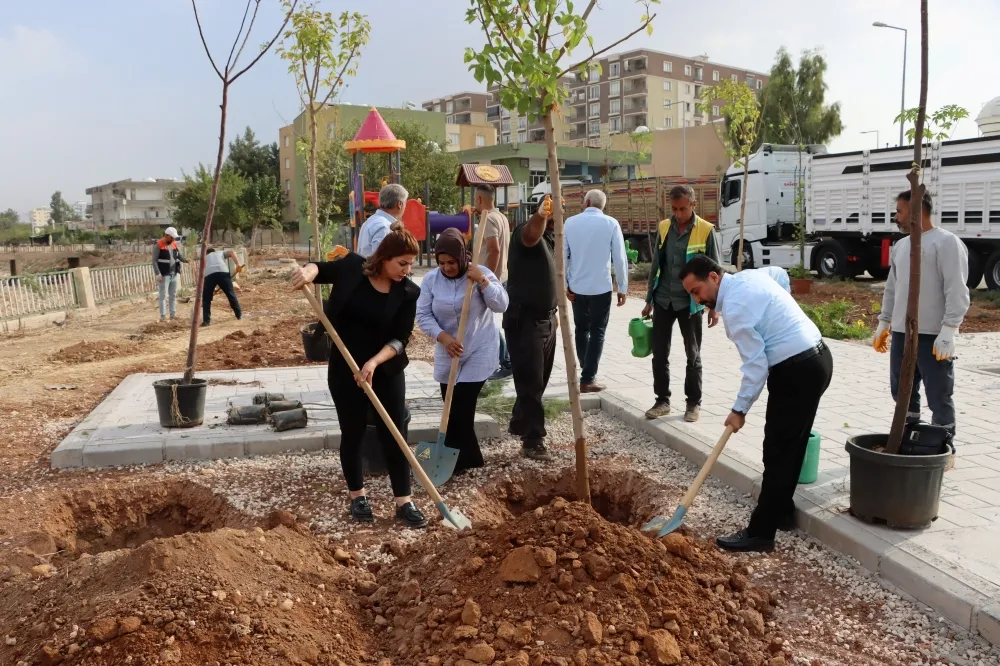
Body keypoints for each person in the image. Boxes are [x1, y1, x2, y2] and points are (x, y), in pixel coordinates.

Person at [679, 254, 833, 552]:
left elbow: (756, 367)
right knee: (792, 444)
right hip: (819, 358)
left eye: (697, 291)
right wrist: (781, 311)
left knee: (776, 452)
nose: (698, 301)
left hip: (795, 370)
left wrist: (739, 410)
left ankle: (761, 532)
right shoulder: (750, 277)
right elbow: (779, 276)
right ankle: (783, 512)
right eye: (692, 296)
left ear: (713, 277)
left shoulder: (735, 309)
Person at [290, 222, 427, 529]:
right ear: (384, 258)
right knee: (351, 432)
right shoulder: (353, 268)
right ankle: (358, 497)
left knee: (394, 433)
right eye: (402, 263)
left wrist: (375, 362)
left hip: (386, 369)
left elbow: (401, 338)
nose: (407, 270)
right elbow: (320, 269)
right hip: (344, 367)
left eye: (410, 264)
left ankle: (403, 501)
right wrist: (309, 272)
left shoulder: (408, 291)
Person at [874, 189, 970, 437]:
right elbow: (893, 287)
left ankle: (944, 446)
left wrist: (949, 329)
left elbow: (956, 288)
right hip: (902, 333)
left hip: (932, 335)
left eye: (900, 211)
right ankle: (910, 436)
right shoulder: (902, 246)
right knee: (902, 389)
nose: (896, 217)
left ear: (916, 212)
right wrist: (884, 322)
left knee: (938, 392)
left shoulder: (946, 242)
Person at [416, 228, 508, 474]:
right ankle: (469, 458)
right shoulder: (431, 280)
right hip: (449, 351)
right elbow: (423, 315)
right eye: (442, 262)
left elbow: (502, 304)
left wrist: (483, 281)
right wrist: (444, 337)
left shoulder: (479, 273)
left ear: (462, 257)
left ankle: (458, 461)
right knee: (449, 405)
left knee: (461, 408)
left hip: (479, 348)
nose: (447, 267)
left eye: (452, 262)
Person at [642, 185, 722, 423]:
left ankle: (693, 403)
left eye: (683, 209)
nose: (678, 214)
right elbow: (656, 265)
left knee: (693, 355)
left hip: (691, 304)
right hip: (663, 300)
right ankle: (662, 401)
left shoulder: (706, 231)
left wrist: (714, 307)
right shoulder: (665, 227)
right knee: (659, 354)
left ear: (694, 205)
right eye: (674, 209)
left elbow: (715, 271)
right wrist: (649, 299)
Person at [504, 196, 558, 461]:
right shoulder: (525, 233)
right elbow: (530, 235)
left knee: (539, 378)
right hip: (525, 321)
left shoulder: (551, 238)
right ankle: (533, 440)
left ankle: (519, 420)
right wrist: (540, 215)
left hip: (547, 319)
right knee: (531, 382)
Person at [564, 189, 628, 392]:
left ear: (587, 202)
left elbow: (563, 256)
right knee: (597, 331)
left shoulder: (570, 223)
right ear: (602, 205)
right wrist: (622, 287)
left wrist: (565, 285)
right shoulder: (611, 224)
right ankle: (588, 378)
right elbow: (619, 257)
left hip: (577, 287)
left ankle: (586, 367)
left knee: (581, 329)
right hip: (600, 287)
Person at [474, 184, 513, 381]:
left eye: (475, 199)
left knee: (488, 323)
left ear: (480, 199)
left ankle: (506, 362)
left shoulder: (488, 218)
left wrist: (488, 277)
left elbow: (494, 249)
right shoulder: (502, 217)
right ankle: (502, 361)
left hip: (489, 279)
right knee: (491, 322)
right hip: (502, 275)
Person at [357, 183, 408, 258]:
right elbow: (380, 260)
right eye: (405, 203)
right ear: (399, 204)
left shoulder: (371, 220)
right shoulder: (384, 226)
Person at [153, 227, 189, 321]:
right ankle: (163, 316)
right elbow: (154, 261)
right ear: (167, 235)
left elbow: (178, 255)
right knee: (163, 296)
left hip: (174, 273)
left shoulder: (173, 244)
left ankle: (173, 315)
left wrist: (185, 260)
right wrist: (158, 273)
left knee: (173, 295)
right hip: (164, 274)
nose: (173, 239)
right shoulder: (158, 245)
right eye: (171, 237)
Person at [201, 247, 243, 326]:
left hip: (209, 275)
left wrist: (208, 289)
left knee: (206, 299)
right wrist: (237, 264)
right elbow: (231, 252)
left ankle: (206, 321)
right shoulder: (220, 253)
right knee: (231, 294)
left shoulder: (204, 258)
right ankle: (239, 315)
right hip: (223, 272)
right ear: (214, 251)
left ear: (206, 253)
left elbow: (201, 273)